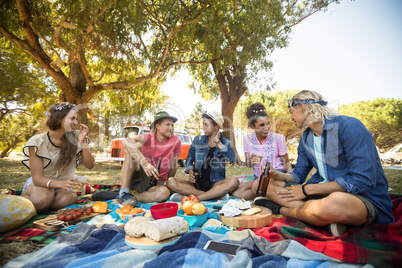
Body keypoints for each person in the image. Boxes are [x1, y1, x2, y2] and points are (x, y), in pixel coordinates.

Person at [254, 90, 396, 236]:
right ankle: (324, 219)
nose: (291, 118)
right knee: (261, 184)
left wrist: (306, 190)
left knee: (336, 203)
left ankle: (280, 209)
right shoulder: (305, 138)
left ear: (301, 107)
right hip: (322, 196)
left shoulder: (349, 127)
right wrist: (279, 175)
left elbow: (363, 180)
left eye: (291, 112)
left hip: (360, 198)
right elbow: (298, 175)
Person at [21, 102, 95, 212]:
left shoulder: (76, 137)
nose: (76, 122)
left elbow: (90, 165)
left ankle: (42, 206)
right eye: (72, 118)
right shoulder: (37, 141)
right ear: (59, 119)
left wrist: (83, 142)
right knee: (43, 198)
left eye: (76, 119)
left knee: (69, 198)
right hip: (41, 185)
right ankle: (30, 201)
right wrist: (60, 184)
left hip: (63, 188)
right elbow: (37, 179)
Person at [167, 111, 239, 201]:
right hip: (196, 185)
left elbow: (232, 159)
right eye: (203, 124)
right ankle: (212, 196)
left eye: (206, 125)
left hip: (215, 184)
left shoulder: (225, 143)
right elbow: (189, 159)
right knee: (171, 181)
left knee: (234, 181)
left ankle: (195, 198)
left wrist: (219, 143)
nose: (203, 127)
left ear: (217, 126)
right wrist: (190, 170)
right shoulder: (197, 140)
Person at [118, 111, 182, 205]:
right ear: (158, 126)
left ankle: (131, 198)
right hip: (138, 175)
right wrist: (145, 164)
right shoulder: (148, 137)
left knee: (164, 193)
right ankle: (123, 192)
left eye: (172, 125)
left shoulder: (176, 141)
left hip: (155, 181)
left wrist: (169, 186)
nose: (171, 128)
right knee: (132, 150)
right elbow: (126, 141)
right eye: (167, 125)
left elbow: (173, 167)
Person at [232, 103, 292, 200]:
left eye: (268, 123)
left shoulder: (278, 138)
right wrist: (250, 161)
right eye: (261, 125)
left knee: (260, 188)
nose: (266, 127)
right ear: (252, 126)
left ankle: (268, 192)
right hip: (258, 178)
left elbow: (286, 163)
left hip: (275, 176)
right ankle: (270, 195)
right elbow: (248, 164)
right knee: (237, 194)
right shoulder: (247, 139)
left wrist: (291, 179)